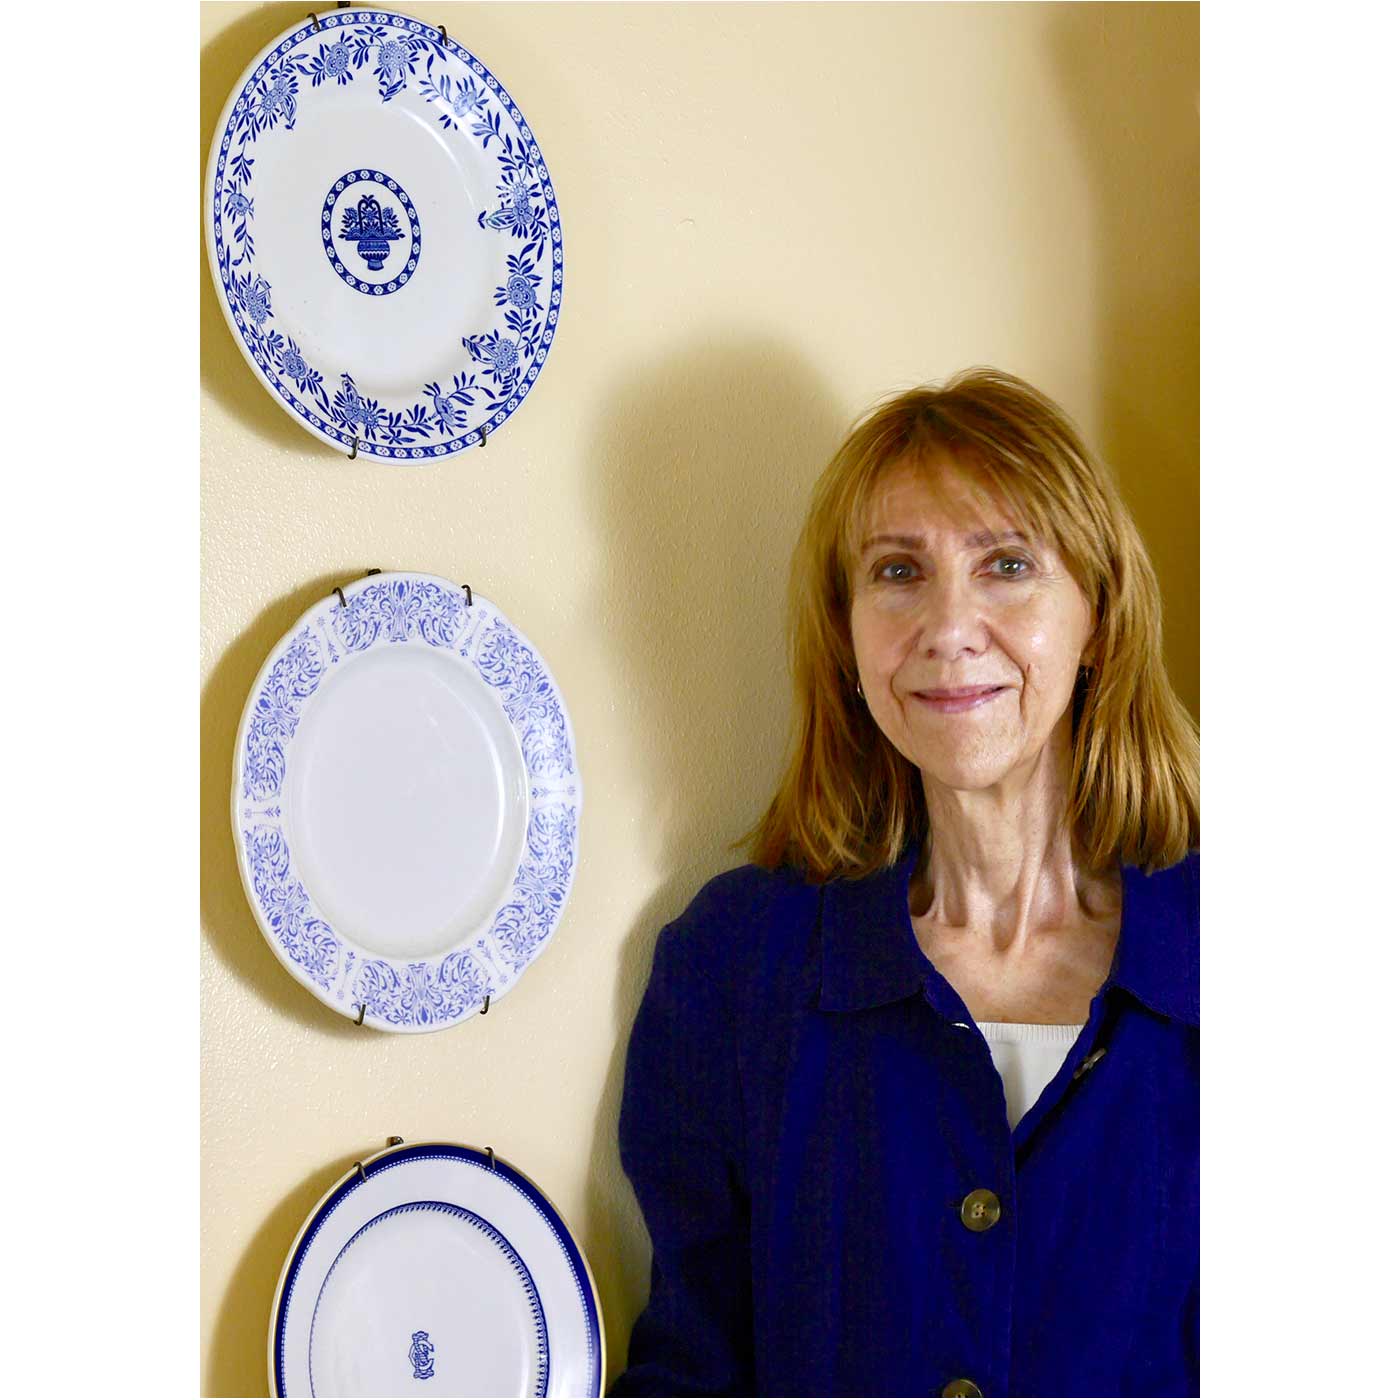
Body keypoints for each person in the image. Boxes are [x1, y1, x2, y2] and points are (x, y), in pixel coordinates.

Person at [610, 368, 1200, 1399]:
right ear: (843, 634)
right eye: (895, 571)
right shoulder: (731, 966)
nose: (947, 625)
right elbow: (692, 1365)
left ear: (1097, 617)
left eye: (1007, 564)